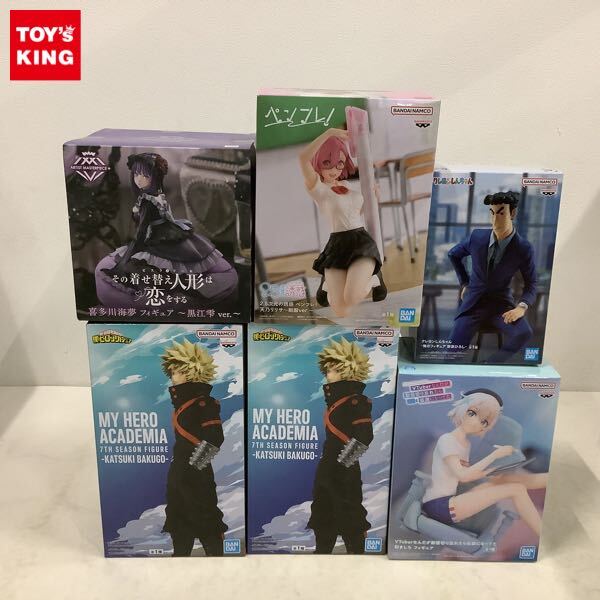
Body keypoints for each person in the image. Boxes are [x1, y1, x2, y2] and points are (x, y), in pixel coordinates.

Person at [96, 152, 238, 306]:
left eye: (144, 175)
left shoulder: (151, 199)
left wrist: (171, 224)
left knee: (162, 258)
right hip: (157, 232)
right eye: (136, 175)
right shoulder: (150, 198)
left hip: (158, 233)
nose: (138, 179)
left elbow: (151, 220)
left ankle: (179, 286)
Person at [422, 390, 547, 536]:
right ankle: (543, 534)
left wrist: (491, 472)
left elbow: (465, 472)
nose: (476, 423)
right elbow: (463, 476)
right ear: (462, 409)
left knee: (504, 480)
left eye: (484, 422)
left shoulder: (465, 444)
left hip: (451, 500)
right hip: (439, 506)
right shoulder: (447, 440)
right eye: (472, 413)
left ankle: (549, 479)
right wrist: (494, 455)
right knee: (516, 489)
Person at [299, 128, 386, 317]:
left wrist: (374, 199)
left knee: (352, 297)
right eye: (328, 163)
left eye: (339, 164)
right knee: (341, 311)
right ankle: (329, 285)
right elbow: (302, 158)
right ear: (319, 162)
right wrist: (329, 133)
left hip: (360, 242)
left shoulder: (345, 185)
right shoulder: (317, 187)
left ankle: (373, 279)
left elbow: (354, 213)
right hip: (337, 245)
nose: (335, 170)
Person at [448, 191, 537, 362]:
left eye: (501, 213)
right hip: (473, 306)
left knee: (524, 333)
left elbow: (531, 283)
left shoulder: (523, 248)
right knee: (450, 354)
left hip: (501, 306)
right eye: (492, 213)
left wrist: (521, 307)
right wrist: (464, 283)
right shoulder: (477, 237)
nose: (495, 220)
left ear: (512, 213)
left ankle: (489, 364)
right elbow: (453, 254)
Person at [161, 338, 227, 556]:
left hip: (196, 475)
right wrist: (180, 473)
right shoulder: (181, 405)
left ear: (192, 372)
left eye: (179, 371)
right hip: (179, 474)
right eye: (172, 372)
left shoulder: (204, 404)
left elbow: (215, 437)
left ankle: (218, 562)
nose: (174, 377)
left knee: (206, 519)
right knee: (179, 522)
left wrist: (195, 467)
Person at [308, 337, 374, 553]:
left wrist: (343, 464)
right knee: (323, 515)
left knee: (350, 516)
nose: (328, 375)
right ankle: (321, 557)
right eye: (327, 370)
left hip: (344, 471)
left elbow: (365, 435)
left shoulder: (356, 402)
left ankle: (357, 559)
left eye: (334, 370)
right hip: (328, 468)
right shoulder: (335, 402)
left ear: (348, 371)